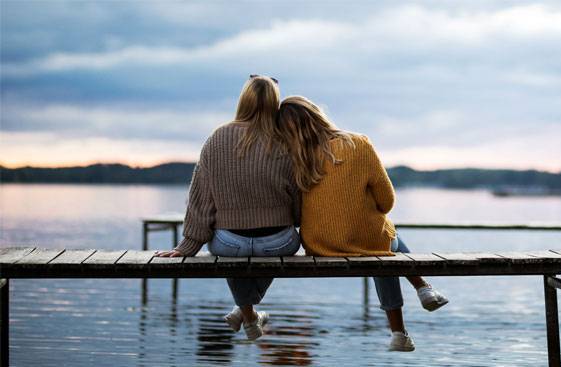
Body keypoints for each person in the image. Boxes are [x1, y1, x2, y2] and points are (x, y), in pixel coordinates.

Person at [275, 95, 448, 352]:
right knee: (384, 242)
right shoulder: (358, 144)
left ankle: (403, 330)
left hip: (320, 244)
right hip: (367, 240)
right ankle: (419, 294)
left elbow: (297, 213)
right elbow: (386, 201)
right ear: (317, 114)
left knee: (380, 246)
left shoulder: (296, 160)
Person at [155, 75, 300, 341]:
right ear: (274, 104)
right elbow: (298, 198)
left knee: (235, 250)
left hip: (229, 242)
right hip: (279, 242)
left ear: (243, 100)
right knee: (268, 252)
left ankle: (247, 313)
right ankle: (249, 315)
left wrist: (187, 246)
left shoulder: (216, 138)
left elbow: (200, 199)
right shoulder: (286, 141)